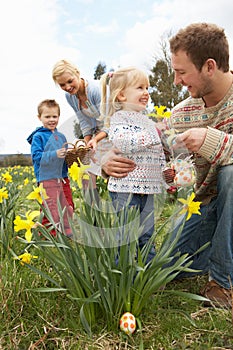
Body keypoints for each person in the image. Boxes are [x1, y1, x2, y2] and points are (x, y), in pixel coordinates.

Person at [101, 23, 233, 308]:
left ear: (209, 66)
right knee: (168, 267)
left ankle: (223, 281)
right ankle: (220, 248)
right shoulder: (182, 113)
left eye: (181, 72)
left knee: (231, 174)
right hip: (205, 204)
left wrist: (212, 140)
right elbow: (151, 147)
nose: (175, 81)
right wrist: (106, 161)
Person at [100, 66, 166, 262]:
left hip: (147, 189)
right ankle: (123, 275)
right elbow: (124, 143)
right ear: (121, 95)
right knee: (126, 236)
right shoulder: (118, 120)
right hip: (124, 188)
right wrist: (154, 133)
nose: (146, 92)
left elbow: (158, 153)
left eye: (147, 87)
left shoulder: (147, 121)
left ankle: (149, 273)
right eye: (140, 87)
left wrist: (166, 175)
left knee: (147, 234)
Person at [52, 59, 109, 191]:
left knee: (109, 166)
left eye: (70, 81)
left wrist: (95, 140)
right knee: (85, 166)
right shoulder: (70, 96)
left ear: (77, 73)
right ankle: (92, 205)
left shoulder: (95, 90)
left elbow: (108, 122)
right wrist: (85, 144)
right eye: (62, 85)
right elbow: (84, 121)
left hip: (113, 128)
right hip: (97, 132)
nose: (67, 87)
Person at [27, 99, 74, 237]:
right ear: (39, 117)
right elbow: (36, 157)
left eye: (55, 116)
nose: (51, 119)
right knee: (50, 207)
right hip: (47, 179)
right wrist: (54, 154)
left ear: (59, 117)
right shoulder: (38, 137)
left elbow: (64, 158)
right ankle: (50, 234)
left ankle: (66, 232)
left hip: (63, 178)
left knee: (68, 205)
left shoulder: (61, 136)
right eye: (47, 116)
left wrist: (71, 158)